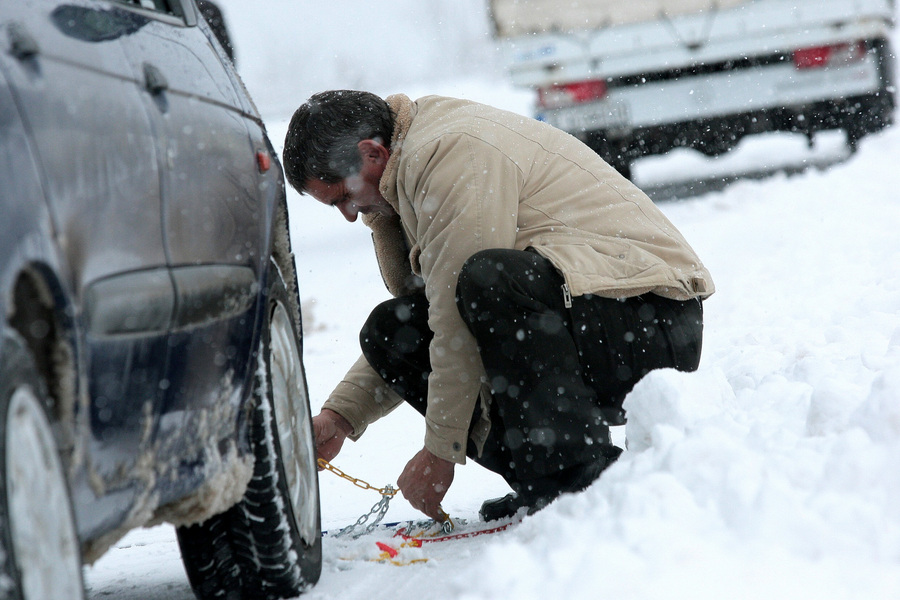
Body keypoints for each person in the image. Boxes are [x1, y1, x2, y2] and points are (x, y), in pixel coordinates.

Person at [282, 91, 714, 522]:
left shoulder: (451, 153)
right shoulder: (410, 159)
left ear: (372, 153)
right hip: (593, 314)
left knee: (490, 281)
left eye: (342, 197)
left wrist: (440, 452)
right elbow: (434, 314)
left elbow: (453, 315)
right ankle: (545, 479)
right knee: (392, 331)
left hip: (652, 321)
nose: (348, 215)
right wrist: (340, 416)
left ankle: (574, 476)